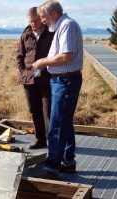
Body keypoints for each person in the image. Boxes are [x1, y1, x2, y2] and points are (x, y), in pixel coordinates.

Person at [33, 0, 83, 179]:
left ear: (53, 14)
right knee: (65, 122)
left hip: (65, 80)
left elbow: (66, 56)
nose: (42, 20)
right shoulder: (61, 26)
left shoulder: (66, 26)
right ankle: (67, 161)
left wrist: (43, 62)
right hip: (63, 80)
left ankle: (52, 168)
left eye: (43, 16)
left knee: (57, 124)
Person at [17, 7, 54, 149]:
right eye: (30, 21)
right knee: (34, 110)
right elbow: (19, 55)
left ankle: (52, 141)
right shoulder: (25, 34)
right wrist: (23, 72)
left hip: (47, 79)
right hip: (29, 80)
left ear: (42, 18)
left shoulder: (51, 32)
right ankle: (39, 139)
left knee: (48, 111)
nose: (33, 24)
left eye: (36, 21)